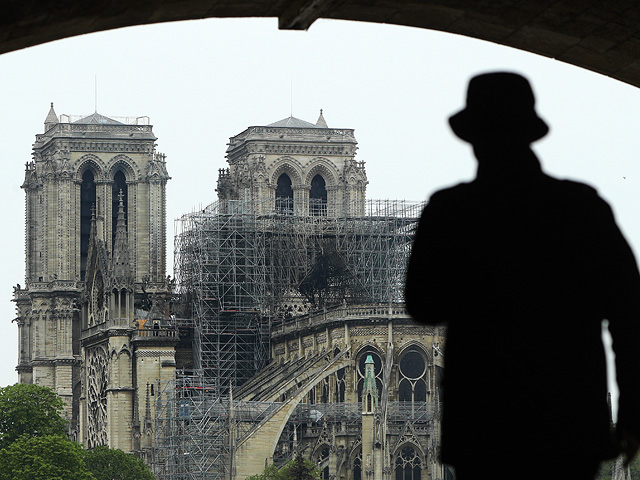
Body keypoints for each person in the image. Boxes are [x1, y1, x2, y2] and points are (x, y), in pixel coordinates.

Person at [405, 72, 640, 479]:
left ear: (473, 137)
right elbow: (629, 317)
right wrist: (633, 412)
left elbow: (422, 305)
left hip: (484, 422)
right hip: (568, 418)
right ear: (530, 134)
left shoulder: (450, 211)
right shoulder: (582, 208)